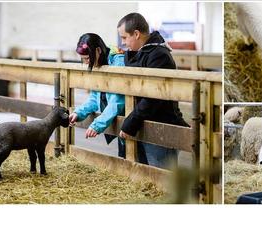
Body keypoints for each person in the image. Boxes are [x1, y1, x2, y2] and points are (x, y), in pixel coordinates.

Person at [117, 13, 189, 169]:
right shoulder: (141, 53)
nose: (123, 43)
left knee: (163, 177)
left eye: (124, 38)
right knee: (144, 174)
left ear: (136, 34)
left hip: (161, 125)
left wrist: (129, 123)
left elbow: (153, 96)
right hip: (142, 124)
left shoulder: (159, 55)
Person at [69, 33, 147, 162]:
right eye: (83, 59)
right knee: (125, 159)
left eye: (88, 58)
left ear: (98, 50)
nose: (86, 62)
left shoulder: (118, 62)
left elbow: (118, 100)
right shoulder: (99, 64)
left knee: (142, 162)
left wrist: (97, 124)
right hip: (120, 124)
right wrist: (79, 113)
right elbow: (96, 97)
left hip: (132, 122)